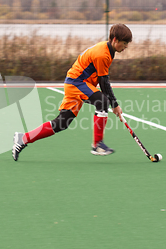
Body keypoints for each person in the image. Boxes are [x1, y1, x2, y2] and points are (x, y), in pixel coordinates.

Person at [12, 23, 132, 161]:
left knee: (62, 123)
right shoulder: (103, 54)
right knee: (102, 102)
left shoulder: (108, 50)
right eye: (124, 43)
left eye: (127, 44)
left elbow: (102, 81)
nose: (126, 47)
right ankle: (97, 145)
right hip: (77, 82)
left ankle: (23, 138)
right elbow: (104, 82)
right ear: (115, 39)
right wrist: (114, 104)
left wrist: (112, 103)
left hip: (78, 83)